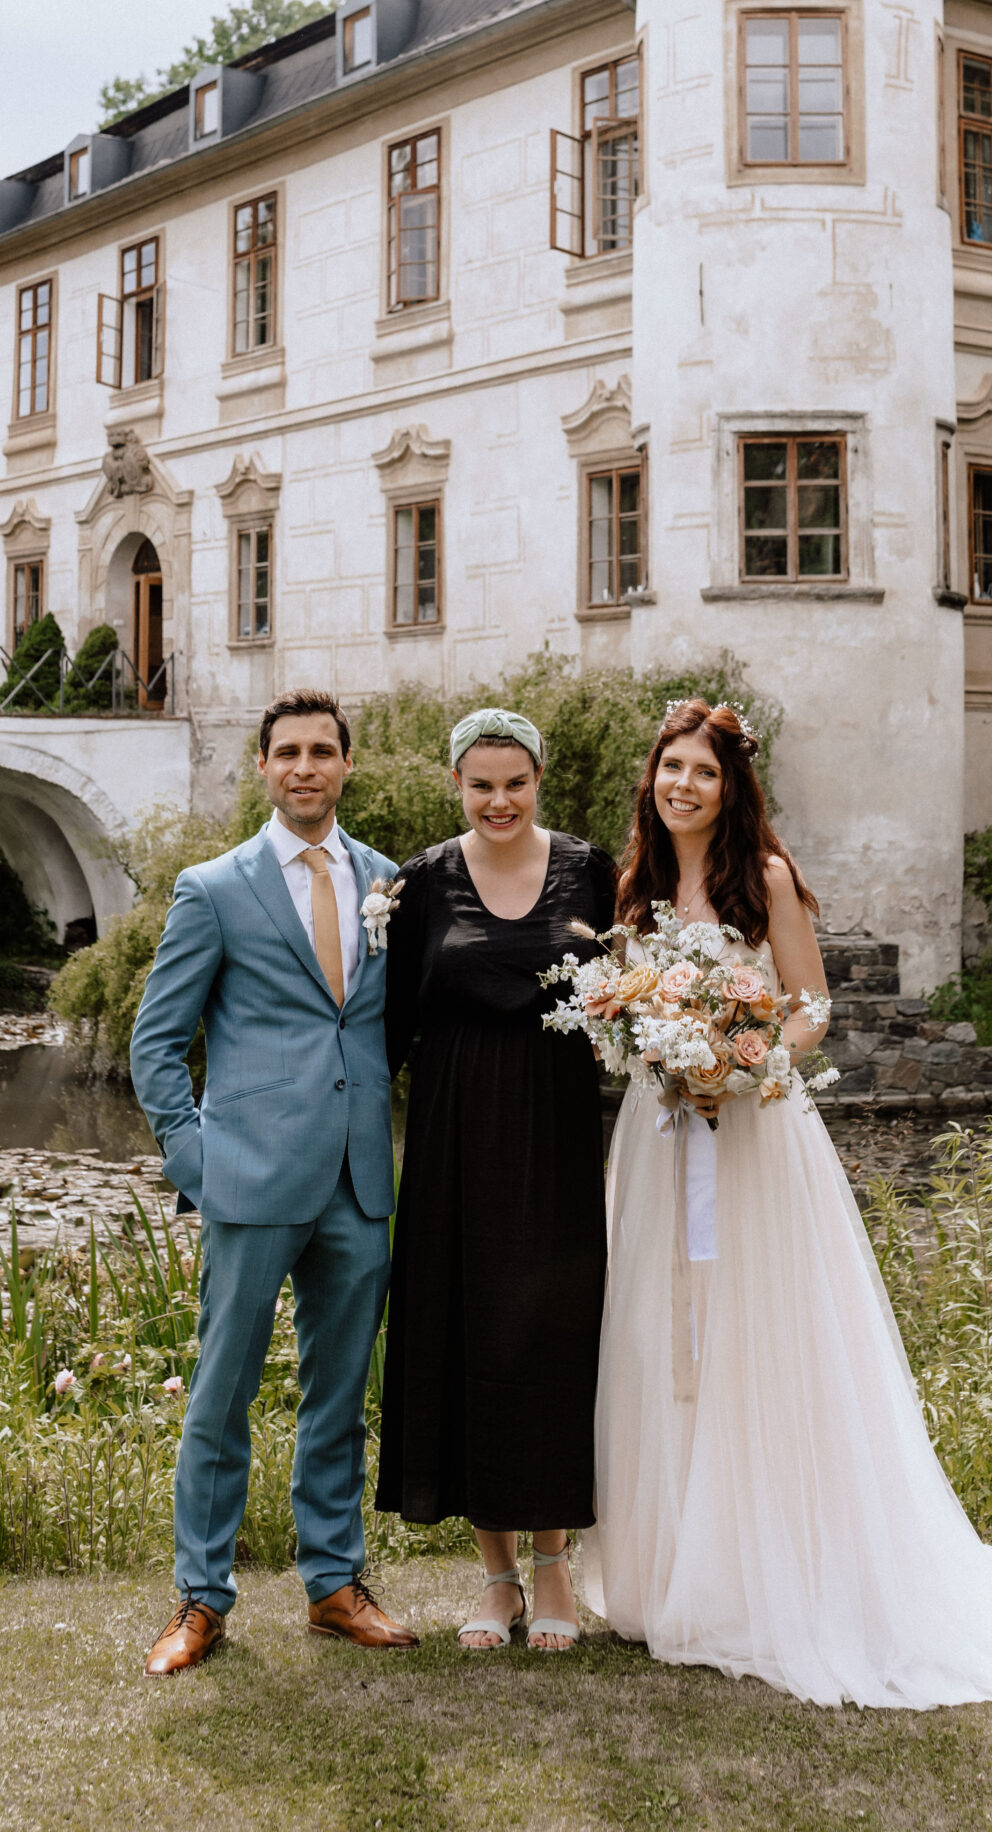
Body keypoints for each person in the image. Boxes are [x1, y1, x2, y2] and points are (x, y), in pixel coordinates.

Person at [588, 696, 992, 1706]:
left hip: (753, 1132)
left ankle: (771, 1566)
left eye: (704, 772)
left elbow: (811, 1005)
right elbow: (621, 1004)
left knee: (759, 1336)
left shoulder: (762, 878)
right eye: (671, 768)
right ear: (651, 778)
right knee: (664, 1339)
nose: (684, 785)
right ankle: (670, 1567)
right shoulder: (633, 884)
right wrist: (639, 1039)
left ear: (733, 787)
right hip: (662, 1134)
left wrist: (746, 1051)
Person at [130, 688, 418, 1672]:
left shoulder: (387, 882)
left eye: (322, 751)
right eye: (287, 751)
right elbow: (157, 1043)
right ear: (263, 767)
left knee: (339, 1396)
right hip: (248, 1182)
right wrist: (198, 1162)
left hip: (357, 1183)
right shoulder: (214, 887)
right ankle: (201, 1600)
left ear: (347, 763)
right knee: (221, 1395)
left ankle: (334, 1584)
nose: (305, 766)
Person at [379, 707, 615, 1651]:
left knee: (548, 1333)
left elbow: (627, 997)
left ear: (539, 780)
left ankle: (554, 1565)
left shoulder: (590, 868)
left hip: (555, 1129)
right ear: (456, 786)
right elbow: (389, 1023)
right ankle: (495, 1578)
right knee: (464, 1328)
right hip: (453, 1132)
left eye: (514, 782)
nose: (499, 800)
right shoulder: (421, 881)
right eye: (481, 784)